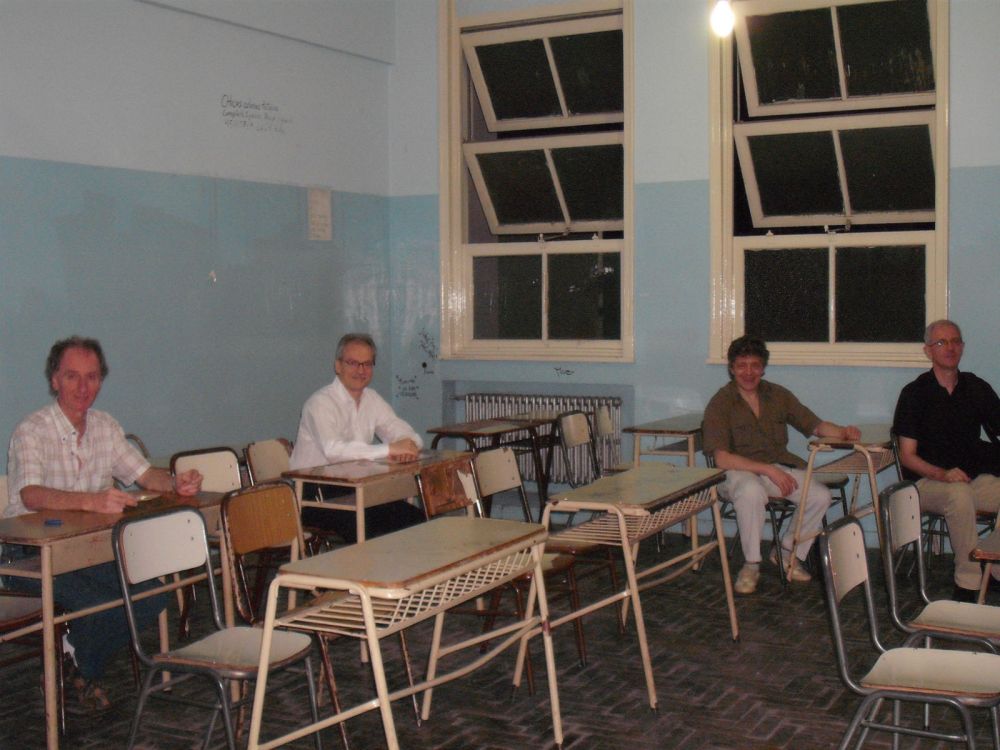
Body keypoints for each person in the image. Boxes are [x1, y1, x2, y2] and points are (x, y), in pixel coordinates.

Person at [5, 335, 203, 712]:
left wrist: (175, 483)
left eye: (92, 377)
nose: (83, 387)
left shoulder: (105, 426)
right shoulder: (32, 430)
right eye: (72, 376)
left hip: (87, 552)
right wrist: (91, 501)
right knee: (100, 603)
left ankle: (73, 660)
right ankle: (80, 671)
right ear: (55, 380)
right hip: (28, 558)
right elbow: (31, 495)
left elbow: (144, 474)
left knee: (151, 594)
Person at [702, 335, 860, 595]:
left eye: (755, 365)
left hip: (774, 468)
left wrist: (844, 432)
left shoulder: (777, 395)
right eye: (742, 366)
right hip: (735, 473)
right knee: (751, 491)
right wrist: (768, 470)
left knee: (819, 495)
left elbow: (815, 425)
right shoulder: (720, 402)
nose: (749, 372)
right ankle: (751, 565)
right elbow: (721, 458)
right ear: (731, 368)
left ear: (763, 368)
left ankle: (787, 552)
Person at [892, 319, 1000, 602]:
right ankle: (968, 583)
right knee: (959, 494)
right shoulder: (914, 394)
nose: (949, 348)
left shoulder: (976, 387)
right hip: (926, 483)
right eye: (941, 342)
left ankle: (995, 570)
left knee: (969, 489)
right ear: (928, 350)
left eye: (955, 341)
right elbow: (907, 457)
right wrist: (943, 474)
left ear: (962, 347)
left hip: (970, 479)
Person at [290, 333, 425, 543]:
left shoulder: (372, 399)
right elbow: (334, 451)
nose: (361, 371)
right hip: (315, 496)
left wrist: (409, 446)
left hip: (356, 489)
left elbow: (403, 431)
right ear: (338, 366)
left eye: (367, 364)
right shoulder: (319, 403)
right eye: (353, 363)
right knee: (371, 530)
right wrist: (390, 449)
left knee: (416, 520)